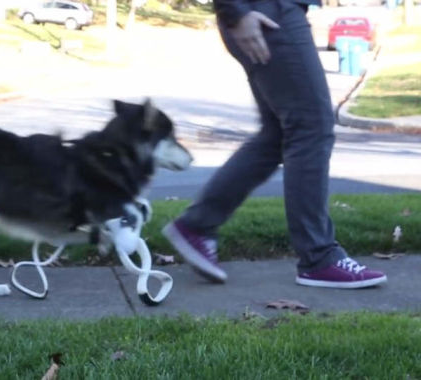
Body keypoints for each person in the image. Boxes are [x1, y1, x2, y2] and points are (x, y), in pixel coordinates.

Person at [162, 0, 387, 288]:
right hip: (267, 12)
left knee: (276, 135)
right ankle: (319, 258)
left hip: (266, 12)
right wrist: (235, 11)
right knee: (312, 125)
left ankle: (197, 225)